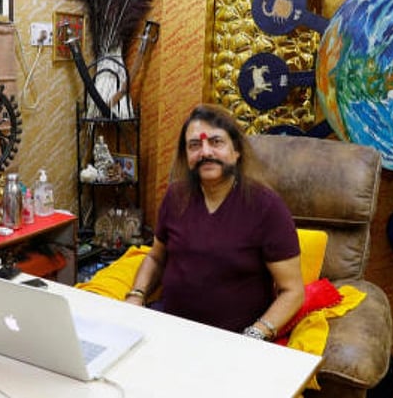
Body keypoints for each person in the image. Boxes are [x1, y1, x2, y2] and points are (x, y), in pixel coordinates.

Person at [125, 104, 304, 341]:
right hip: (167, 328)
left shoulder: (266, 206)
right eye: (195, 145)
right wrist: (136, 295)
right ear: (186, 156)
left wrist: (254, 335)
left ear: (236, 151)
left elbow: (292, 291)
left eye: (216, 142)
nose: (205, 152)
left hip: (235, 340)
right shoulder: (176, 196)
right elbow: (156, 257)